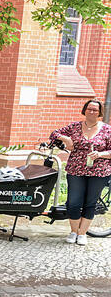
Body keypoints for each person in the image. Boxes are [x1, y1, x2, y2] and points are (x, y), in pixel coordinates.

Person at [49, 99, 111, 246]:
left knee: (90, 203)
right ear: (85, 110)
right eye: (89, 109)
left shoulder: (107, 129)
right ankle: (73, 231)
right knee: (74, 203)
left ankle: (82, 234)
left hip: (99, 171)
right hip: (76, 169)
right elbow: (54, 134)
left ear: (99, 112)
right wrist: (66, 139)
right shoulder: (75, 126)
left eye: (95, 110)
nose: (91, 112)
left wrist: (100, 154)